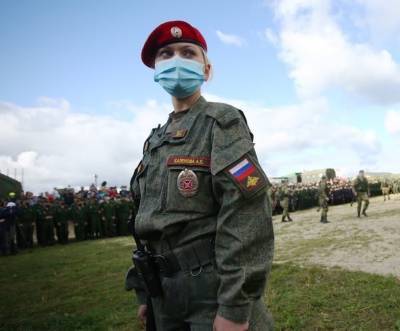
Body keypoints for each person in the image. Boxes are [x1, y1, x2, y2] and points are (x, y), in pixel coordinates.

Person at [126, 20, 274, 331]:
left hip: (209, 290)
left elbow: (246, 210)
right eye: (166, 54)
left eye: (188, 53)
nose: (176, 60)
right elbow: (146, 222)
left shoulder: (221, 123)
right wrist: (145, 291)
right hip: (163, 294)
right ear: (155, 69)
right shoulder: (156, 139)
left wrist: (234, 306)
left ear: (206, 70)